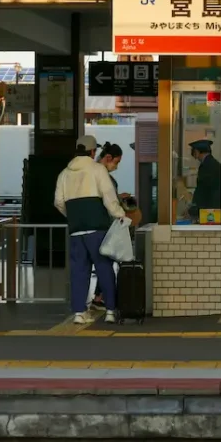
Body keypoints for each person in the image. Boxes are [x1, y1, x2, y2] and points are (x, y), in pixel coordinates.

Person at [53, 134, 126, 325]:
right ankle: (110, 311)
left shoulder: (64, 174)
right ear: (93, 151)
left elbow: (59, 202)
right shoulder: (97, 169)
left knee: (79, 271)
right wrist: (120, 215)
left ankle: (79, 313)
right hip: (97, 228)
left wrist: (74, 216)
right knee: (104, 268)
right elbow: (109, 196)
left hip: (76, 230)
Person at [90, 141, 140, 310]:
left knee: (106, 260)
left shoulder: (98, 173)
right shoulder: (100, 174)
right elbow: (105, 199)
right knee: (106, 260)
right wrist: (119, 207)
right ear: (108, 157)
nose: (116, 166)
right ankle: (101, 297)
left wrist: (118, 197)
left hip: (103, 222)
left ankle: (100, 296)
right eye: (116, 162)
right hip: (104, 223)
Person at [188, 139, 221, 223]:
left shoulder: (206, 166)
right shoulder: (214, 163)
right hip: (214, 206)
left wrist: (194, 207)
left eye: (194, 152)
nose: (195, 157)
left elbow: (202, 189)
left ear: (197, 151)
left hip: (209, 207)